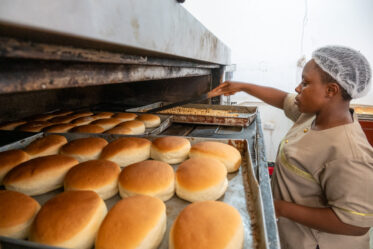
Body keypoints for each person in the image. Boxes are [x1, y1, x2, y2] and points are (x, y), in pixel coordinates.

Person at [208, 46, 373, 249]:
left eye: (305, 83)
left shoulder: (349, 153)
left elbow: (355, 223)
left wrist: (279, 208)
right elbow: (282, 99)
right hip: (288, 234)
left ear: (331, 90)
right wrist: (242, 86)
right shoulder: (314, 115)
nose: (297, 89)